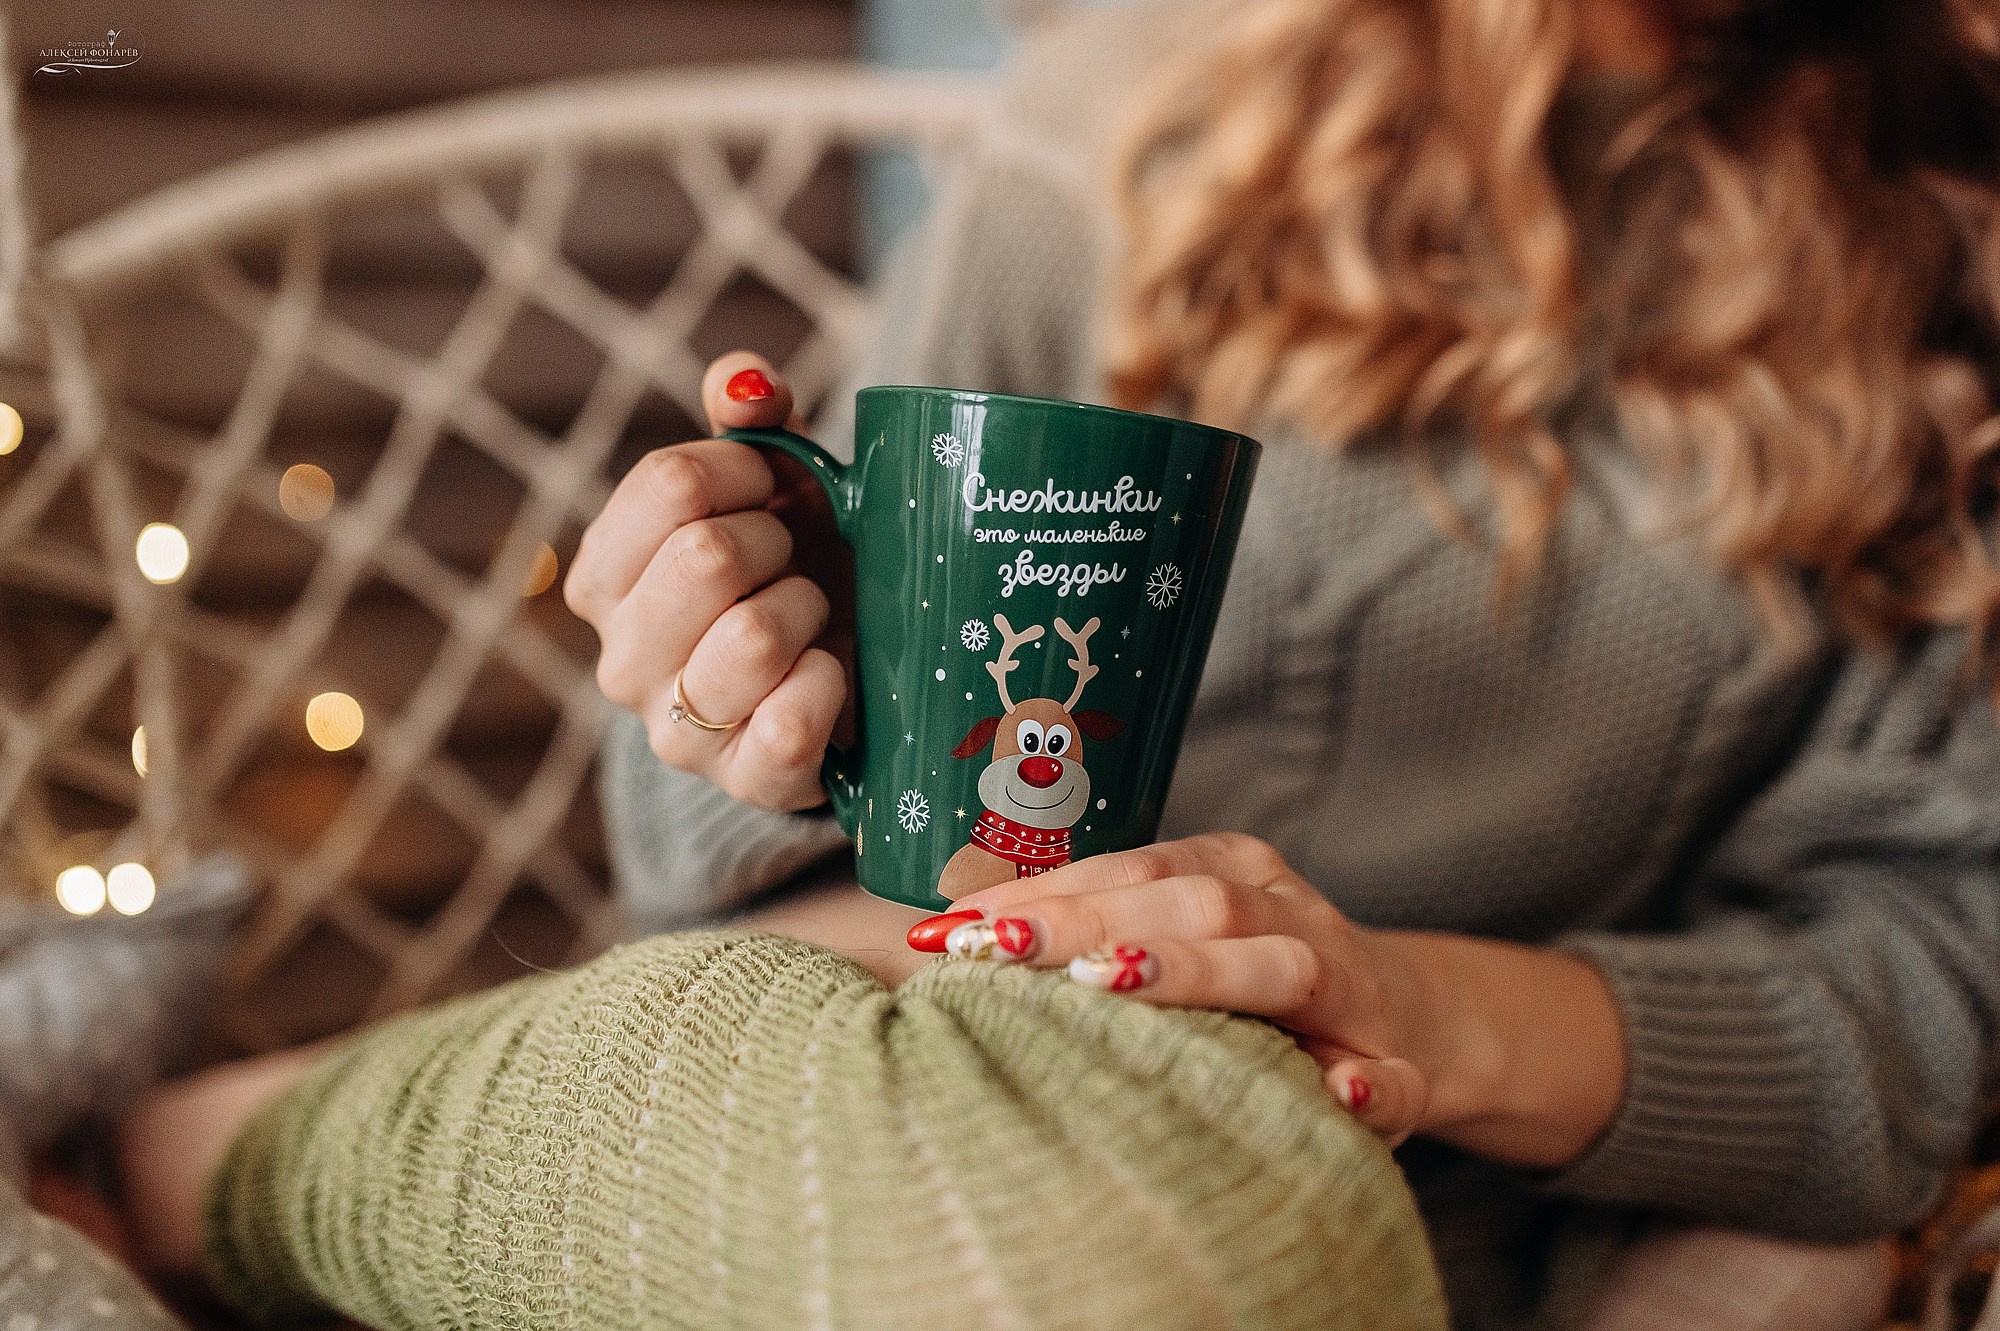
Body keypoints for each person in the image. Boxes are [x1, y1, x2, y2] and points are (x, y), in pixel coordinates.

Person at [115, 0, 2000, 1327]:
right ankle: (195, 1162)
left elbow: (1919, 983)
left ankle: (195, 1157)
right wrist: (734, 691)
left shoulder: (1950, 264)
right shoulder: (1134, 122)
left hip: (1407, 1166)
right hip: (855, 1020)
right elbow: (760, 824)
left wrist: (1388, 1010)